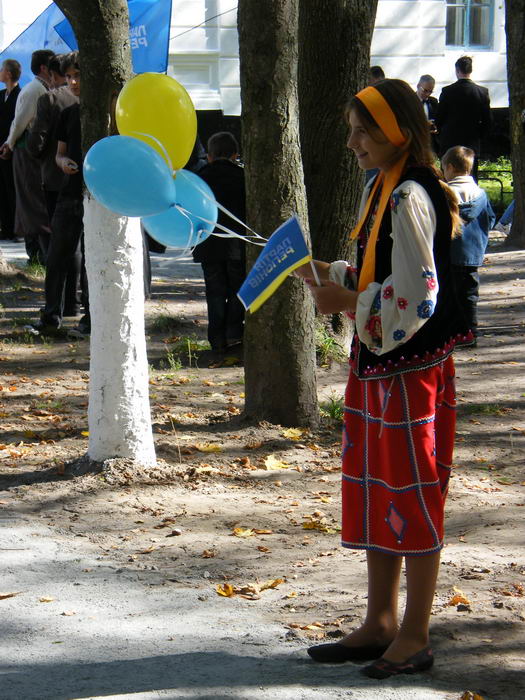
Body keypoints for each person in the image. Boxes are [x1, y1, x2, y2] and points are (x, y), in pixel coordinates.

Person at [295, 79, 471, 679]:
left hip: (410, 373)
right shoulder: (384, 186)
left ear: (395, 131)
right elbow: (385, 273)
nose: (352, 143)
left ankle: (415, 634)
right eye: (351, 131)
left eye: (361, 131)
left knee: (412, 494)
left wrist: (348, 300)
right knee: (377, 490)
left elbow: (419, 295)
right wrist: (330, 273)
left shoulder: (411, 194)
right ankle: (380, 621)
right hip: (379, 364)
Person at [32, 51, 89, 336]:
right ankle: (50, 317)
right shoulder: (69, 113)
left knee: (91, 260)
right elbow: (59, 153)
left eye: (77, 76)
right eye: (68, 77)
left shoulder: (111, 112)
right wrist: (63, 162)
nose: (72, 82)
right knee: (56, 257)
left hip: (99, 197)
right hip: (69, 192)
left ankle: (90, 318)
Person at [192, 131, 246, 354]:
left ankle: (216, 338)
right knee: (237, 289)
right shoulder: (243, 176)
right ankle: (234, 331)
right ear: (235, 154)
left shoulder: (201, 177)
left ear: (210, 156)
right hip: (236, 245)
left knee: (214, 292)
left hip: (209, 245)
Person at [0, 49, 55, 263]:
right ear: (43, 68)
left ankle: (41, 252)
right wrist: (10, 143)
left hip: (37, 152)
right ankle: (36, 253)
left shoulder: (43, 88)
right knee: (30, 201)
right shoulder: (34, 90)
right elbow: (20, 122)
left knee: (37, 200)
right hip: (26, 151)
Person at [442, 146, 495, 343]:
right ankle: (471, 332)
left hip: (448, 252)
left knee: (448, 294)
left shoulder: (445, 193)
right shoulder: (481, 194)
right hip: (472, 253)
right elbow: (491, 218)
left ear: (449, 167)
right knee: (469, 294)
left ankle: (452, 333)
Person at [436, 56, 491, 180]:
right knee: (470, 177)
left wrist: (441, 134)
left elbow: (439, 118)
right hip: (471, 143)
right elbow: (488, 121)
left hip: (450, 142)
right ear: (471, 70)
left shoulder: (447, 91)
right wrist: (478, 135)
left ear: (457, 70)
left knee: (447, 178)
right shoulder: (482, 92)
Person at [0, 59, 21, 241]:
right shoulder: (1, 95)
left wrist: (9, 144)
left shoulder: (20, 96)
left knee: (13, 189)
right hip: (0, 149)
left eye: (2, 70)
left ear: (8, 73)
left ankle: (17, 229)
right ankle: (5, 228)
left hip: (13, 150)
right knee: (2, 189)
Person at [415, 74, 439, 153]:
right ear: (418, 86)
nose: (428, 94)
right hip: (415, 140)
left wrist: (435, 126)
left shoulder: (433, 101)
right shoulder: (409, 101)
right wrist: (424, 124)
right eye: (425, 90)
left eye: (430, 91)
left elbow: (438, 119)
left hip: (430, 142)